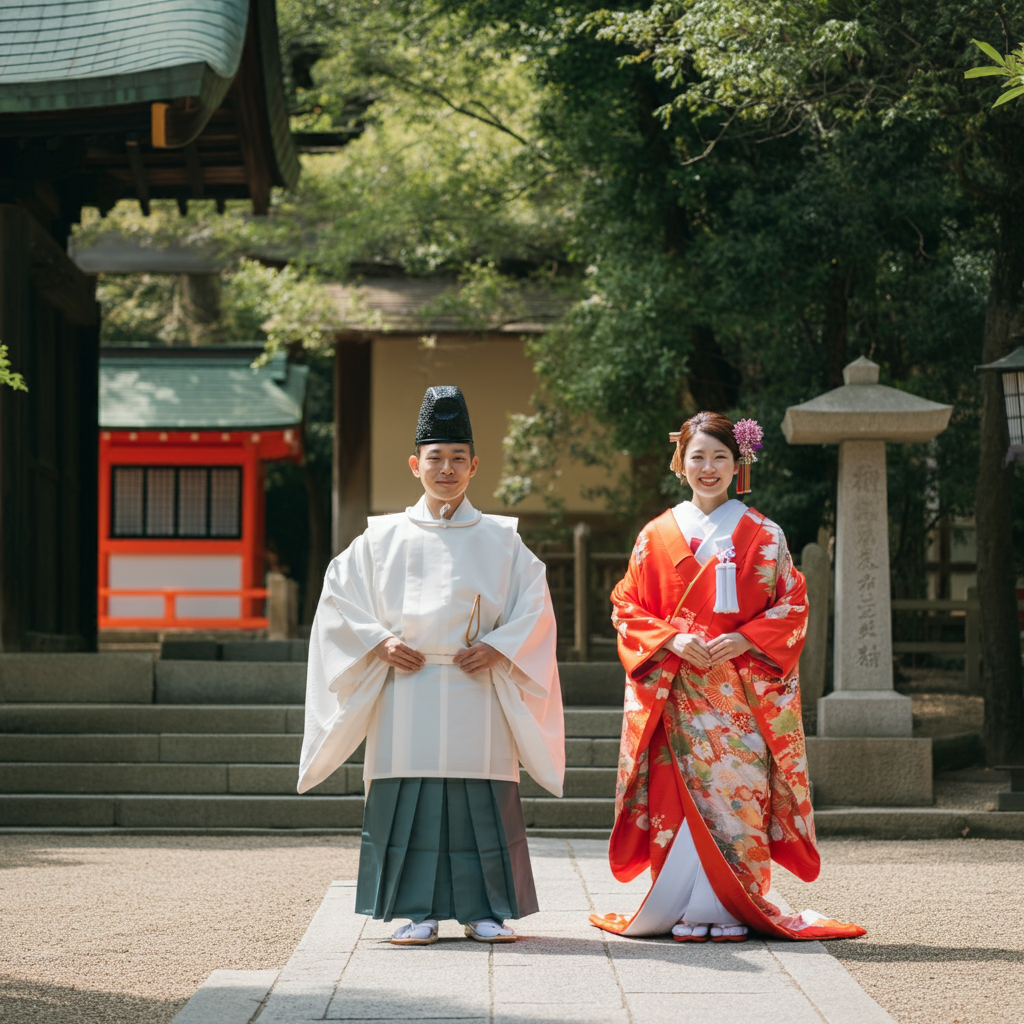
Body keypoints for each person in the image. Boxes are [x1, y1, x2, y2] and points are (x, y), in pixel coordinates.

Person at [299, 385, 564, 946]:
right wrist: (377, 642)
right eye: (436, 457)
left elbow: (535, 605)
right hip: (407, 682)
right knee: (409, 795)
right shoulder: (380, 537)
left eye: (458, 457)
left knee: (481, 799)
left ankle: (485, 910)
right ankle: (416, 911)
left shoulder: (504, 539)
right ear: (416, 464)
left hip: (479, 682)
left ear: (474, 465)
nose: (447, 468)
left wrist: (501, 646)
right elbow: (337, 595)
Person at [589, 411, 864, 942]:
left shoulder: (765, 533)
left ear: (739, 463)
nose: (708, 467)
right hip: (676, 692)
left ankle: (733, 907)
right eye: (698, 457)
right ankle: (681, 907)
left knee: (738, 798)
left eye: (720, 457)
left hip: (740, 696)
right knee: (678, 800)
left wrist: (745, 638)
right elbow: (626, 605)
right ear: (680, 463)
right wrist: (672, 639)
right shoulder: (655, 535)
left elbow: (793, 605)